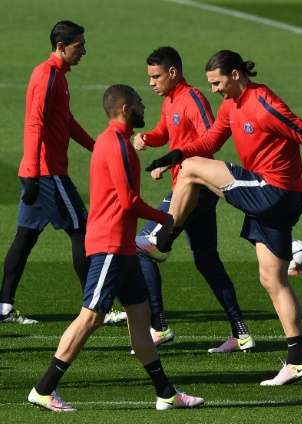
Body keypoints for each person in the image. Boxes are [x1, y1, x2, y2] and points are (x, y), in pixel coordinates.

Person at [143, 50, 302, 385]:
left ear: (236, 74)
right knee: (273, 280)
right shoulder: (231, 106)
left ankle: (163, 241)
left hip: (275, 191)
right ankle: (298, 360)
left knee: (192, 170)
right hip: (271, 196)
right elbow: (210, 140)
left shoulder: (265, 104)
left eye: (218, 83)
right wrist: (174, 154)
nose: (214, 90)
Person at [27, 84, 203, 412]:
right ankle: (43, 388)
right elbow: (128, 201)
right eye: (138, 103)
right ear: (125, 109)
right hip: (110, 244)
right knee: (91, 316)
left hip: (123, 247)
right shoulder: (116, 145)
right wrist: (165, 218)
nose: (143, 107)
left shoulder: (117, 142)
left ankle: (166, 393)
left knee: (140, 315)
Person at [0, 21, 125, 325]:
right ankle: (97, 306)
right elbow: (35, 122)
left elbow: (65, 121)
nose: (84, 51)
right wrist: (32, 171)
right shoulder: (47, 76)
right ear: (60, 46)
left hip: (41, 172)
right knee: (83, 231)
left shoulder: (58, 76)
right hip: (47, 174)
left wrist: (97, 147)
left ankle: (3, 307)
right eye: (78, 46)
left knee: (25, 237)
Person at [132, 46, 254, 353]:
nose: (151, 83)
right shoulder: (170, 100)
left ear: (173, 73)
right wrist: (147, 138)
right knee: (207, 260)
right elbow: (165, 132)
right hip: (192, 190)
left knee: (140, 248)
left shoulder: (194, 98)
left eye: (156, 76)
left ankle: (159, 327)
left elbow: (209, 141)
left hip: (194, 191)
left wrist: (172, 163)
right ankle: (241, 333)